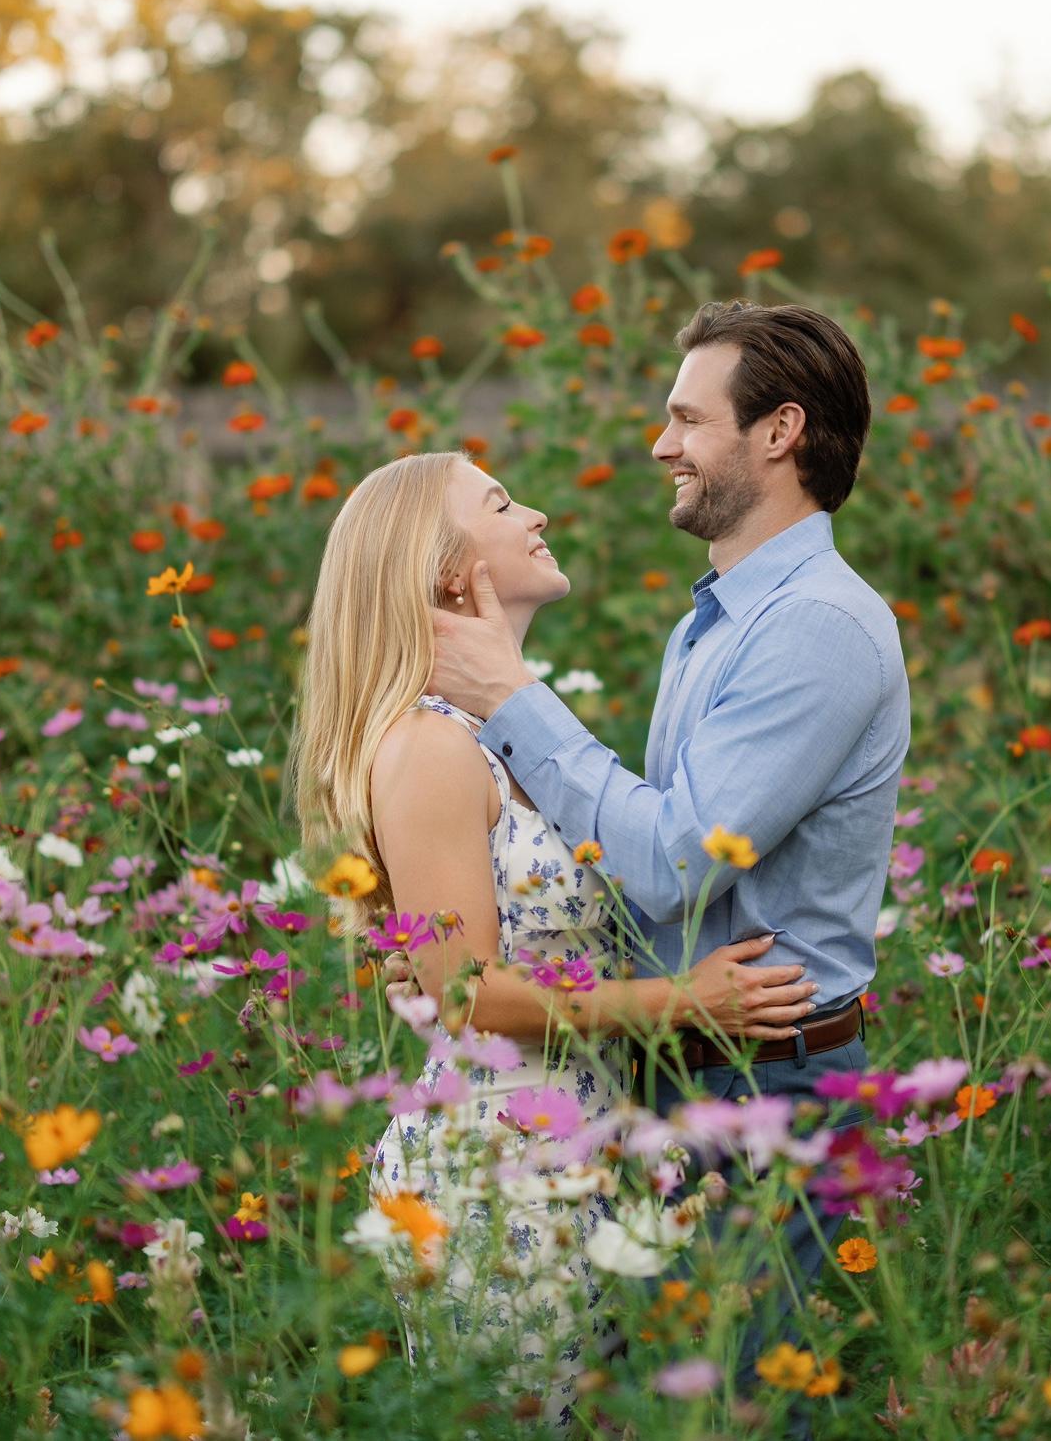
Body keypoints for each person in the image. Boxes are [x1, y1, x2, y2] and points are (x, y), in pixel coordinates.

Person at [424, 300, 911, 1431]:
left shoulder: (818, 627)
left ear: (780, 432)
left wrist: (513, 699)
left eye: (689, 418)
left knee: (750, 1414)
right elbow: (632, 866)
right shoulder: (713, 626)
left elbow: (673, 867)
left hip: (768, 1082)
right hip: (678, 1072)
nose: (661, 444)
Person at [285, 450, 816, 1430]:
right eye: (500, 503)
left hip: (577, 1160)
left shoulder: (501, 735)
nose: (535, 513)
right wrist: (684, 1002)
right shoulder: (430, 747)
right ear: (450, 571)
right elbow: (463, 993)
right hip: (497, 1177)